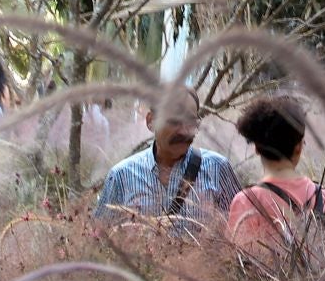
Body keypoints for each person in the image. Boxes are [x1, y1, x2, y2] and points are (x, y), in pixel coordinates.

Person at [92, 87, 240, 233]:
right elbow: (99, 239)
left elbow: (241, 235)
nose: (184, 131)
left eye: (190, 121)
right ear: (151, 121)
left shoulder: (217, 169)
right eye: (174, 121)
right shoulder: (121, 176)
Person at [225, 94, 325, 253]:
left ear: (257, 148)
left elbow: (236, 261)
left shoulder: (247, 201)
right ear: (298, 147)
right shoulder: (322, 196)